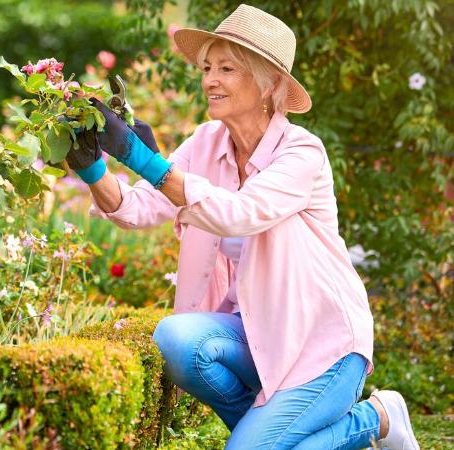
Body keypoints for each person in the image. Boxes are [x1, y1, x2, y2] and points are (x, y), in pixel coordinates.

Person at [64, 4, 420, 449]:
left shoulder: (301, 153)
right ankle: (278, 434)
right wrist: (93, 168)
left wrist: (143, 158)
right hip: (257, 337)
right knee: (176, 338)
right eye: (208, 67)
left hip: (323, 349)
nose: (209, 79)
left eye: (227, 68)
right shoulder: (206, 142)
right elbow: (138, 207)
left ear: (269, 83)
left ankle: (375, 418)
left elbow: (239, 212)